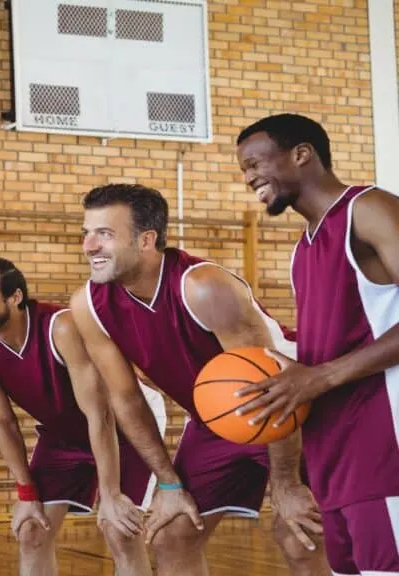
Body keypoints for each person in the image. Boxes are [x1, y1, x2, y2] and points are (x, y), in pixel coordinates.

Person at [68, 183, 329, 575]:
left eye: (104, 234)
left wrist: (287, 484)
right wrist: (168, 485)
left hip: (295, 410)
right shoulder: (89, 306)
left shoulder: (204, 287)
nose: (89, 246)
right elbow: (127, 400)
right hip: (217, 420)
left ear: (146, 240)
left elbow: (273, 384)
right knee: (172, 533)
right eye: (86, 233)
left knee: (300, 534)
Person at [234, 113, 399, 574]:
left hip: (385, 444)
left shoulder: (369, 209)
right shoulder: (303, 248)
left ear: (302, 154)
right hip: (333, 452)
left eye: (254, 163)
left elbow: (325, 369)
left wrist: (319, 376)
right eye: (244, 169)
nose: (249, 178)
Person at [0, 257, 164, 576]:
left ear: (15, 297)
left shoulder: (62, 327)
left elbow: (100, 414)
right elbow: (1, 421)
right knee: (32, 531)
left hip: (125, 425)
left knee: (119, 529)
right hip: (62, 434)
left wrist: (109, 495)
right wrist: (26, 493)